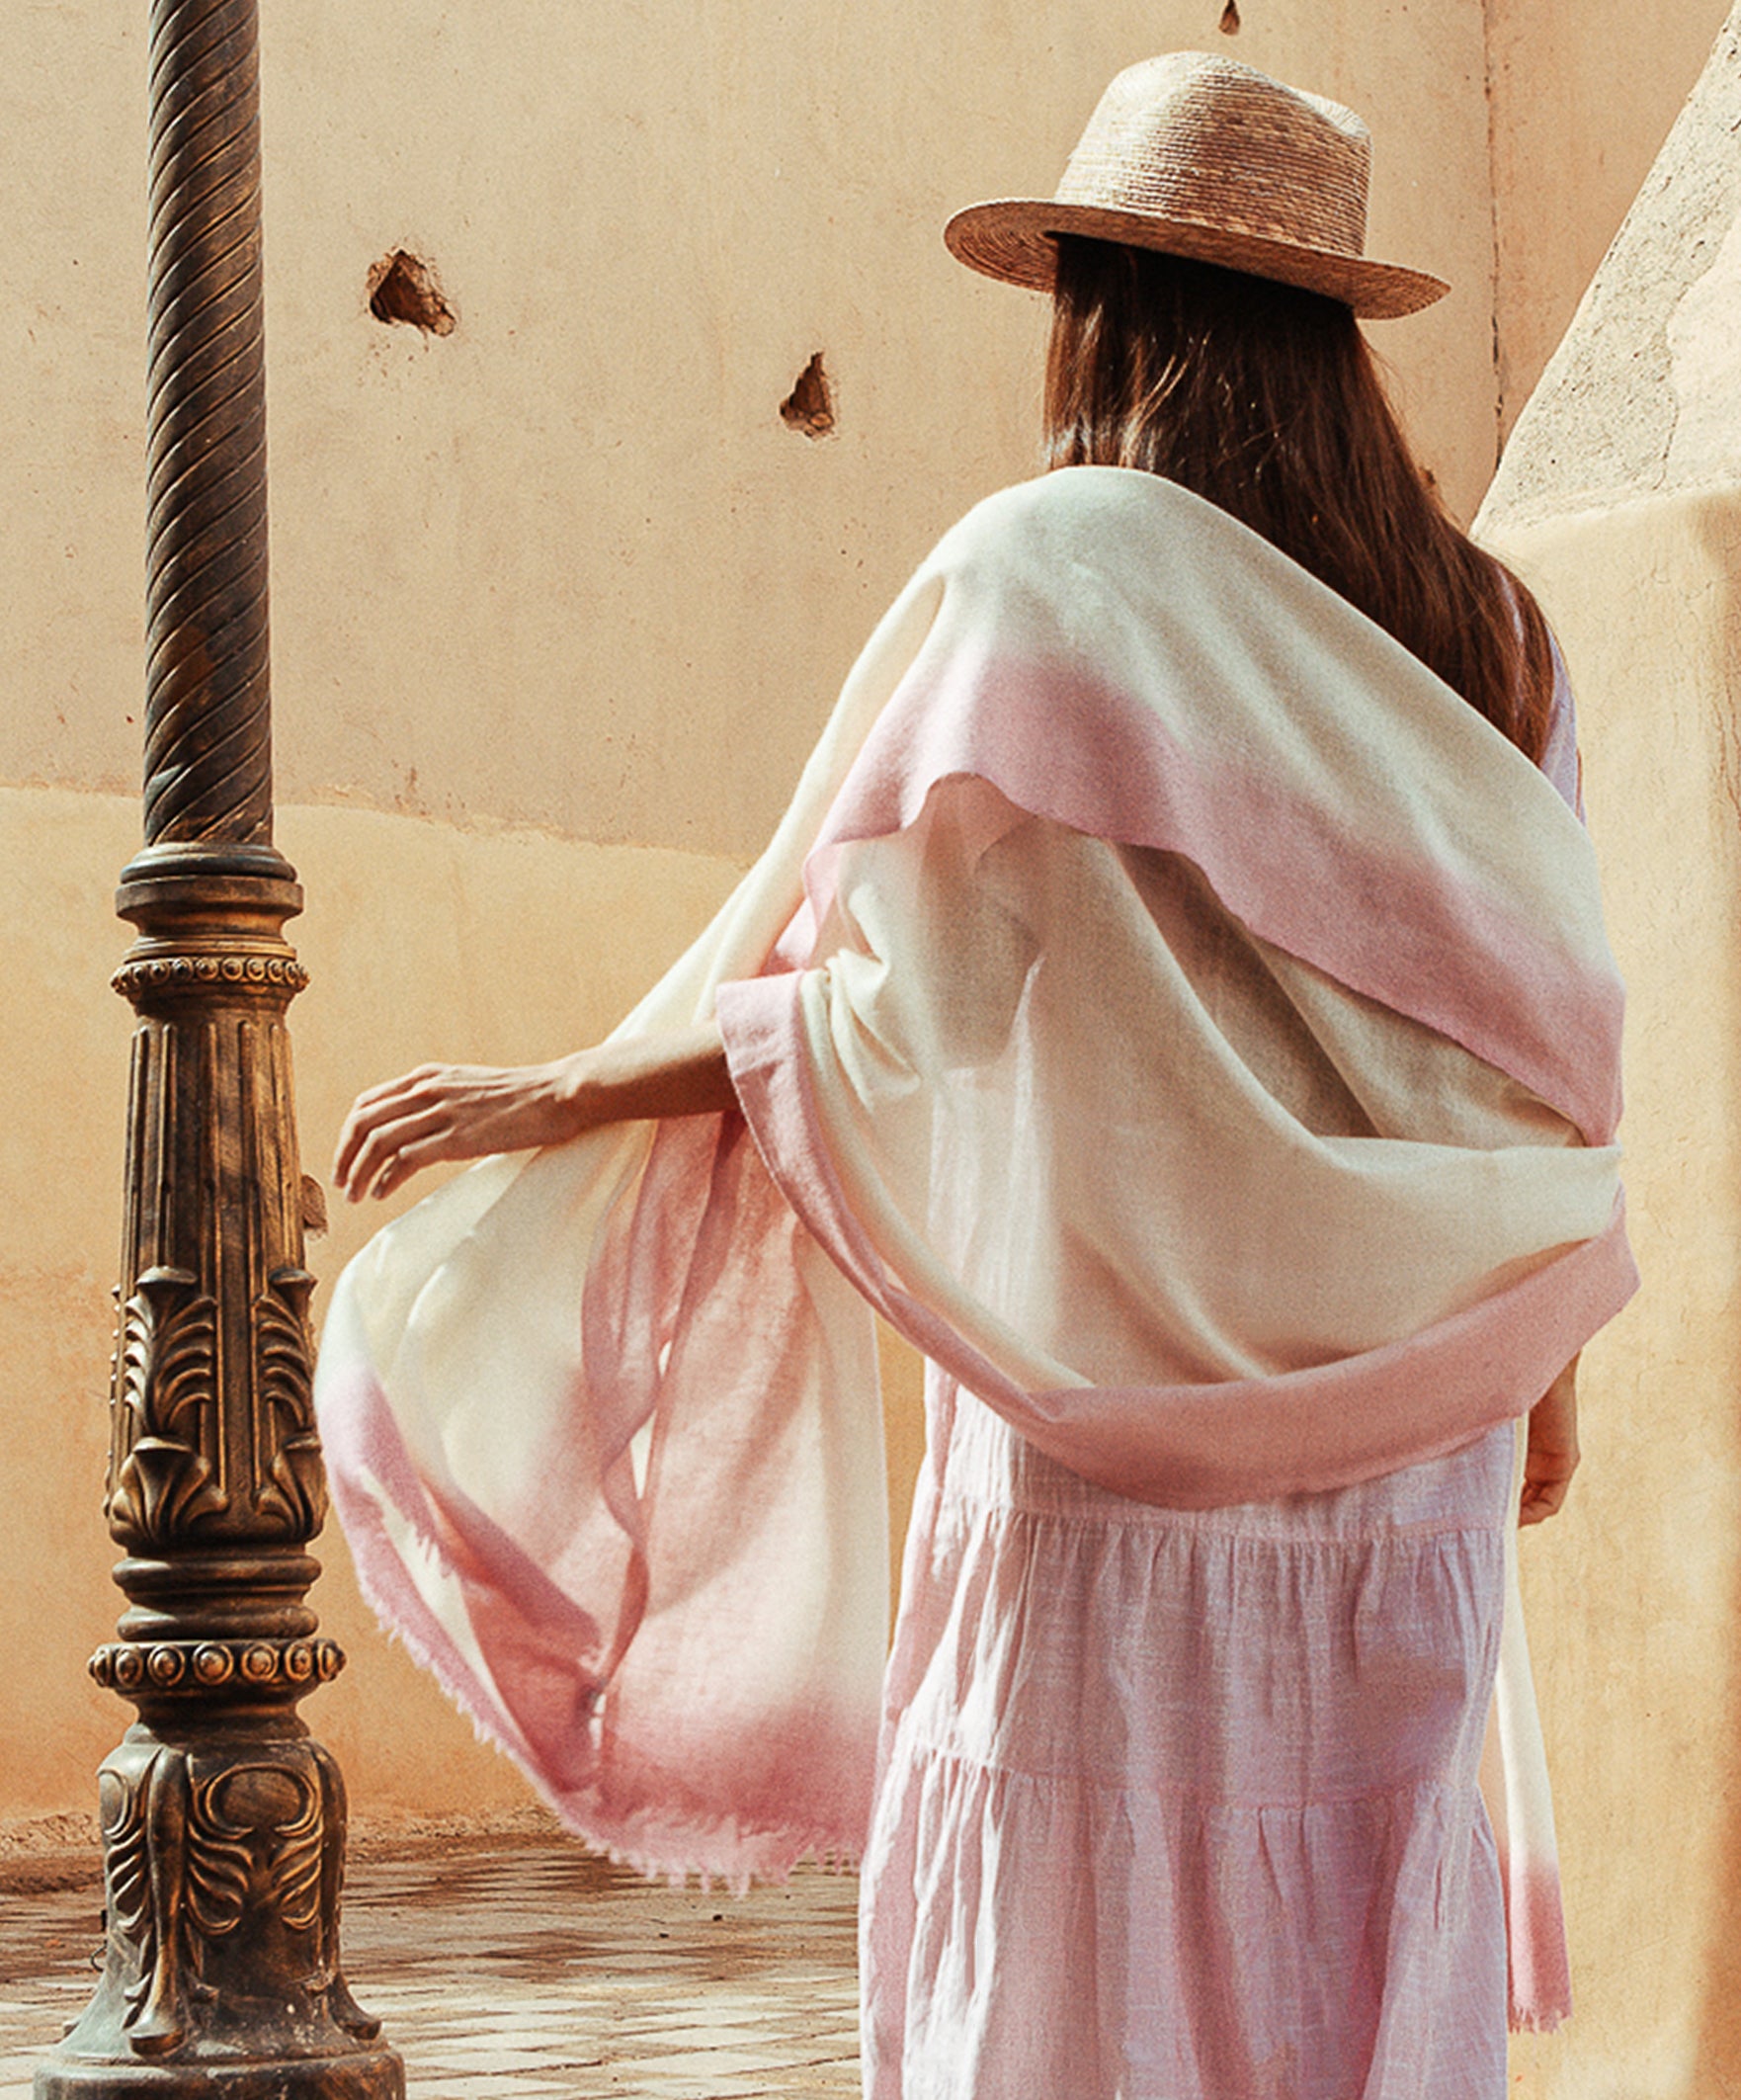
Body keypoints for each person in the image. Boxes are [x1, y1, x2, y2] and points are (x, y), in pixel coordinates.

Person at [316, 53, 1636, 2100]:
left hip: (1104, 1448)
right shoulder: (1495, 638)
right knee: (1344, 1905)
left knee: (1076, 1940)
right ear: (1327, 335)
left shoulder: (1061, 584)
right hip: (1411, 1447)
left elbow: (879, 1017)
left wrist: (557, 1091)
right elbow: (1534, 1059)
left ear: (1097, 305)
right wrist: (1532, 1378)